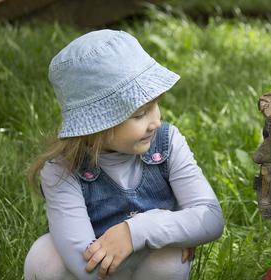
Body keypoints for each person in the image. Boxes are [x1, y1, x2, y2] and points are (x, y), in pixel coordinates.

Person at [24, 29, 224, 280]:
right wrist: (178, 228)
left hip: (149, 266)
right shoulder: (61, 170)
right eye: (139, 114)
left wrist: (139, 231)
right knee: (43, 258)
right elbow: (87, 267)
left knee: (169, 260)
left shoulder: (167, 142)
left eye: (155, 105)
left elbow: (210, 217)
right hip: (97, 273)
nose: (155, 122)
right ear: (97, 125)